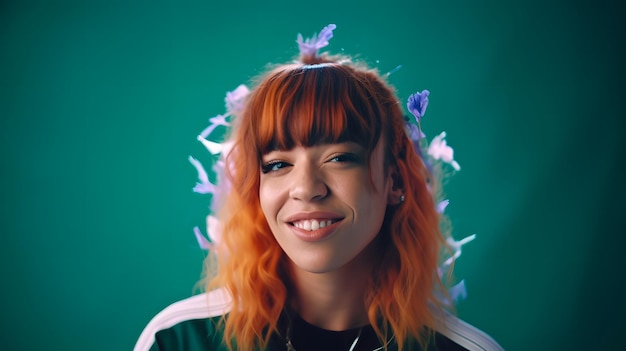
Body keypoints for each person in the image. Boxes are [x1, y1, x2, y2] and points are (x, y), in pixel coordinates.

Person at [135, 24, 503, 351]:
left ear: (395, 180)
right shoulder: (178, 340)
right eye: (278, 164)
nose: (307, 189)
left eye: (340, 158)